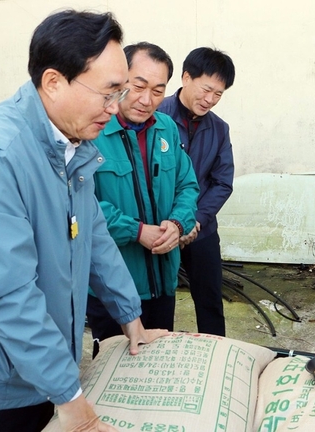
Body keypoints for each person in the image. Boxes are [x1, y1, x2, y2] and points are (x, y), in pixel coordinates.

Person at [0, 10, 167, 432]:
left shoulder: (72, 143)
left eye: (121, 92)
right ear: (54, 82)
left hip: (48, 370)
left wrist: (132, 320)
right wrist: (71, 398)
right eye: (109, 93)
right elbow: (9, 293)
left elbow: (94, 235)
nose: (117, 108)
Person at [87, 42, 199, 345]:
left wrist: (177, 224)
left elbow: (187, 185)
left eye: (158, 90)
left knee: (156, 360)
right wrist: (136, 231)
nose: (147, 100)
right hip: (113, 283)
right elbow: (84, 205)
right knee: (113, 370)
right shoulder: (92, 131)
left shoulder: (166, 128)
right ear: (120, 79)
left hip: (163, 278)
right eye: (139, 86)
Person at [158, 47, 235, 336]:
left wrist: (195, 220)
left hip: (200, 229)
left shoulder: (219, 129)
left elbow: (222, 181)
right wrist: (173, 224)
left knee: (210, 300)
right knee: (160, 302)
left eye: (219, 94)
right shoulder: (155, 116)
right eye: (207, 90)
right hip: (161, 229)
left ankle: (215, 359)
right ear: (186, 77)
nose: (210, 100)